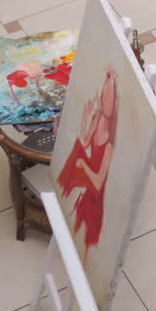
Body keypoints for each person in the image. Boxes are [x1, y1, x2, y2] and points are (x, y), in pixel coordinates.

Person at [55, 66, 119, 261]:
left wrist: (85, 166)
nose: (105, 97)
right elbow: (83, 140)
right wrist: (86, 115)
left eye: (110, 93)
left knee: (87, 255)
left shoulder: (109, 145)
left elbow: (99, 183)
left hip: (94, 201)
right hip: (84, 192)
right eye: (105, 90)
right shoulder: (98, 119)